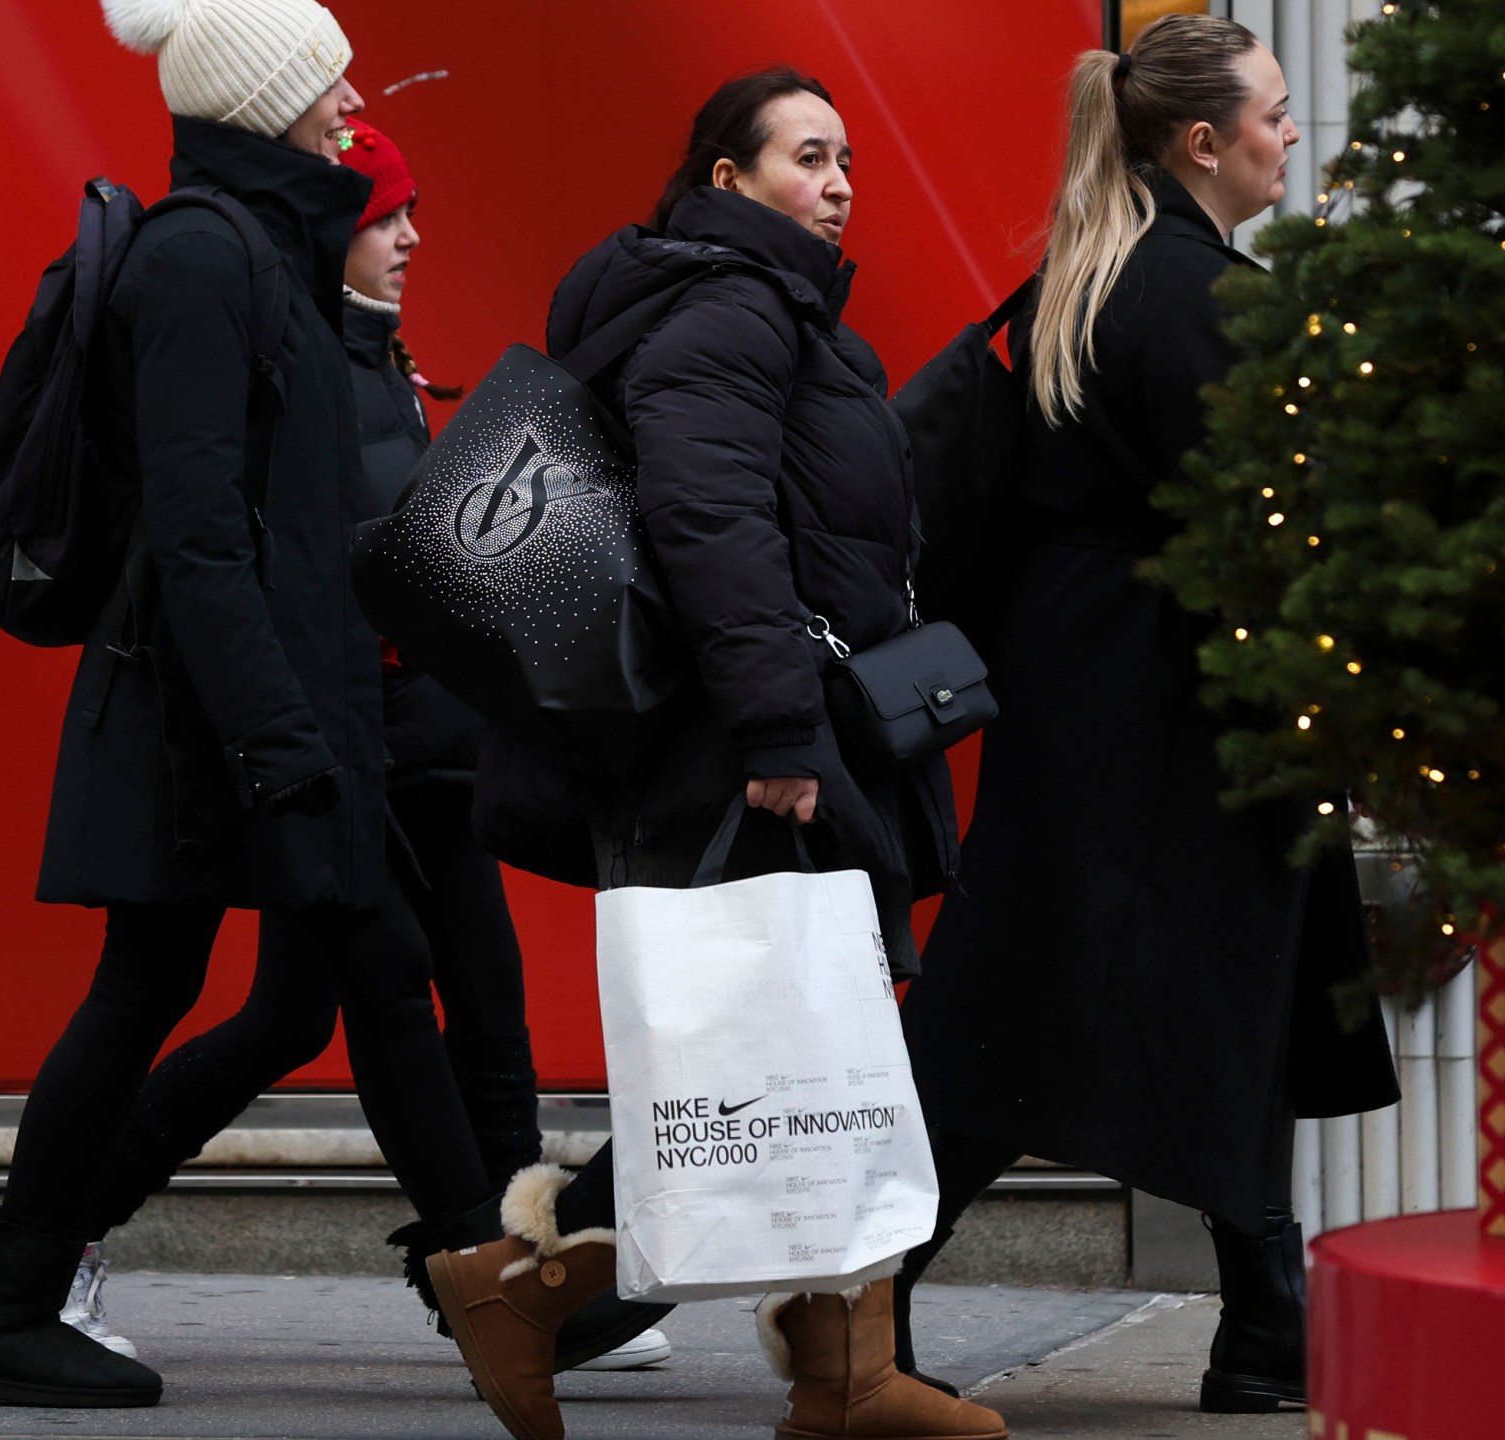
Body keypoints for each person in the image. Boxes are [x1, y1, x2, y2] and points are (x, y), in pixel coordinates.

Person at [0, 0, 498, 1410]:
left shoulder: (264, 254)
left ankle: (499, 1293)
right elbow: (198, 536)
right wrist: (281, 736)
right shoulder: (198, 261)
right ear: (264, 103)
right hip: (211, 725)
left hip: (260, 718)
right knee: (164, 985)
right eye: (326, 81)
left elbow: (287, 527)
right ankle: (6, 1306)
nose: (350, 98)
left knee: (354, 975)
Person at [426, 68, 1007, 1440]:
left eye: (849, 155)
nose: (843, 179)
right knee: (775, 1066)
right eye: (811, 156)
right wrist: (776, 729)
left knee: (821, 1058)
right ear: (729, 181)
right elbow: (710, 520)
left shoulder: (766, 310)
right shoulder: (728, 312)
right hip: (746, 740)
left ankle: (839, 1374)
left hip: (772, 724)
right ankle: (522, 1293)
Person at [66, 116, 677, 1376]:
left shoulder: (373, 356)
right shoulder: (304, 357)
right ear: (331, 224)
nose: (410, 235)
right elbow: (280, 562)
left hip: (423, 748)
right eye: (388, 213)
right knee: (323, 1005)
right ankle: (65, 1234)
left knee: (415, 1003)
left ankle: (521, 1271)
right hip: (355, 757)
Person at [892, 15, 1400, 1417]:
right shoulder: (1202, 299)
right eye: (1276, 115)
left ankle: (1262, 1314)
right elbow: (1270, 535)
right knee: (1048, 1009)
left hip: (1101, 687)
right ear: (1201, 141)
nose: (1290, 135)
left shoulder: (1100, 272)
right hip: (1178, 705)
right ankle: (861, 1300)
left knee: (1186, 995)